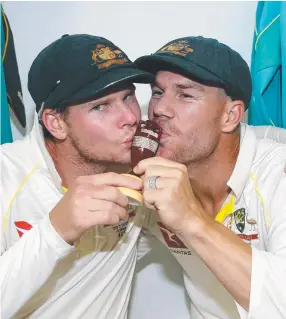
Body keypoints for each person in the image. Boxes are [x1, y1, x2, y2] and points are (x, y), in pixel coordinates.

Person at [0, 34, 155, 319]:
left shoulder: (140, 172)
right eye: (100, 106)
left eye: (129, 96)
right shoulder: (7, 176)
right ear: (56, 123)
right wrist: (55, 230)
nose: (130, 117)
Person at [134, 36, 286, 319]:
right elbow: (94, 264)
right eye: (157, 92)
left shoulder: (277, 174)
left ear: (230, 116)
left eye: (185, 95)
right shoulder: (153, 175)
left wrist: (192, 221)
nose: (160, 109)